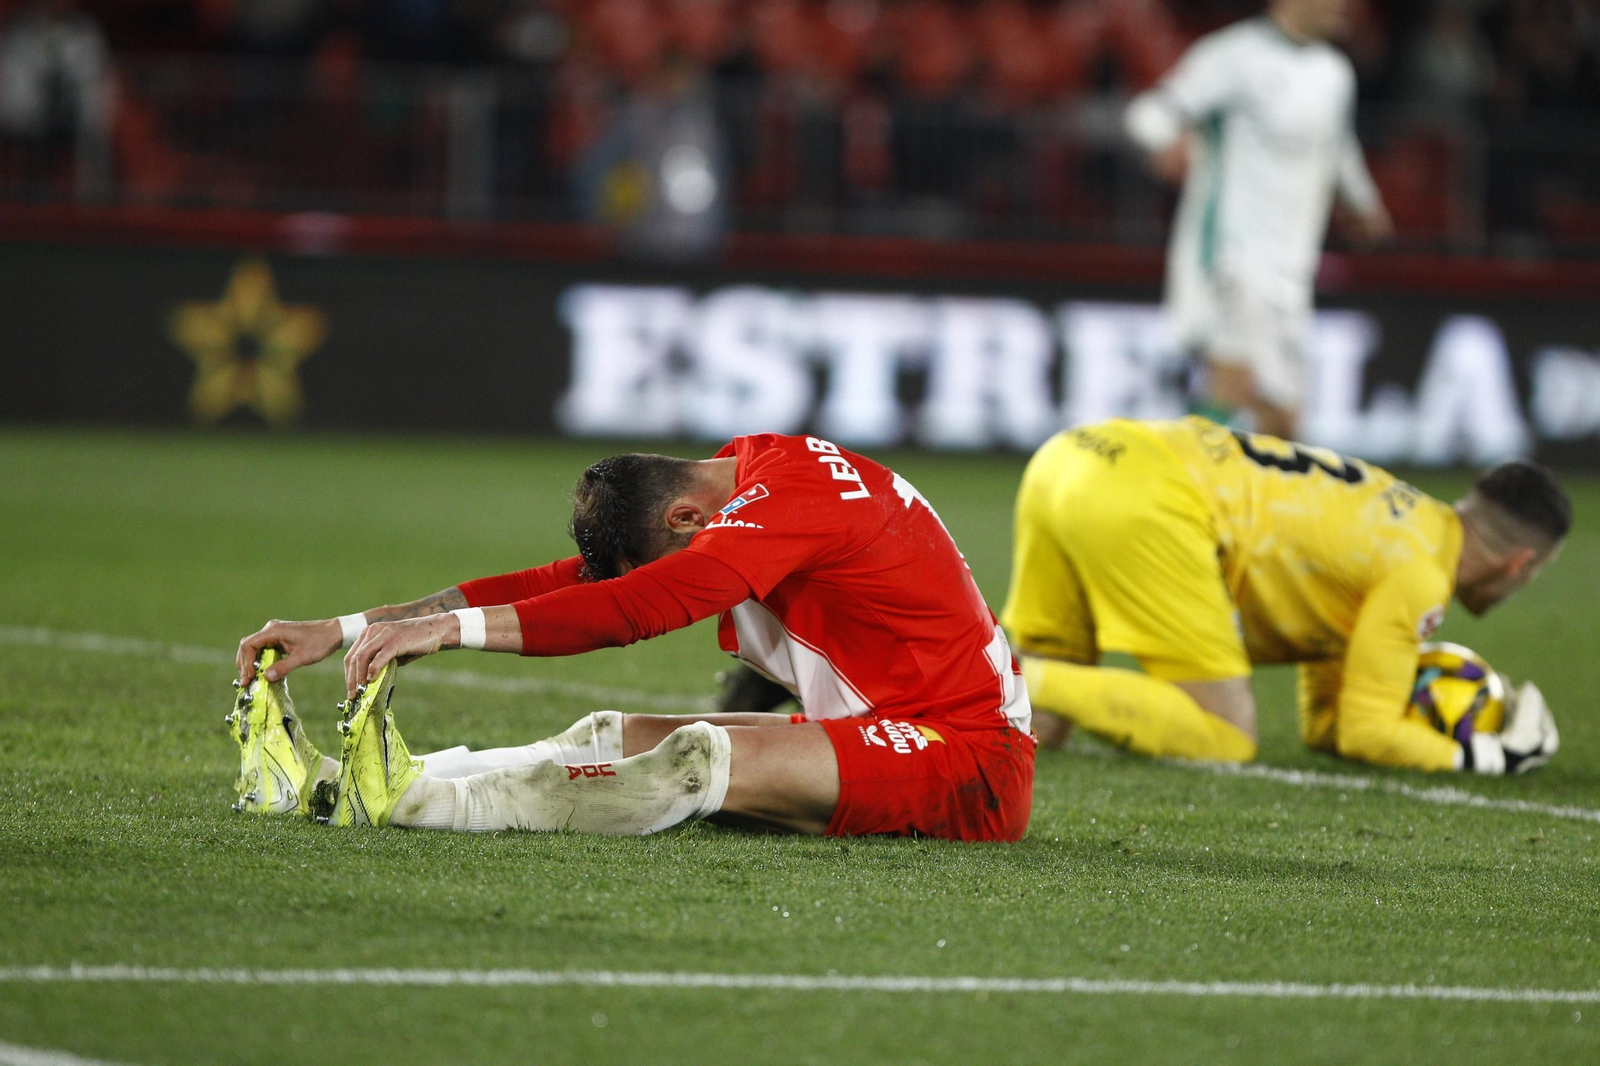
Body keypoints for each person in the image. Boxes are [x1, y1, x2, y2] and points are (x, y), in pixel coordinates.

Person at [232, 434, 1035, 840]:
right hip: (877, 731)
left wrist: (450, 633)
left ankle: (416, 802)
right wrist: (348, 628)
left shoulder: (786, 500)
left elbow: (633, 609)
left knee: (699, 758)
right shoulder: (741, 481)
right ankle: (346, 783)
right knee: (607, 737)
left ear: (685, 520)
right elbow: (567, 586)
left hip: (966, 754)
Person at [1001, 416, 1568, 776]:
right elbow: (1369, 732)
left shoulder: (1406, 528)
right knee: (1223, 735)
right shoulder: (1419, 573)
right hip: (1151, 496)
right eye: (1532, 574)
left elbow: (1333, 725)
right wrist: (1489, 754)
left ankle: (986, 679)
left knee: (1039, 726)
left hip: (1076, 454)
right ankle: (1008, 672)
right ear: (1519, 563)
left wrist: (1406, 719)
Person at [1123, 0, 1393, 438]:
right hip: (1232, 252)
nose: (1344, 6)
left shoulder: (1334, 72)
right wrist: (1167, 142)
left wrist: (1363, 203)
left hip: (1292, 260)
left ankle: (1194, 486)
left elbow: (1338, 147)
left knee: (1280, 420)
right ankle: (1171, 488)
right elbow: (1151, 114)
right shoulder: (1232, 57)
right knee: (1239, 385)